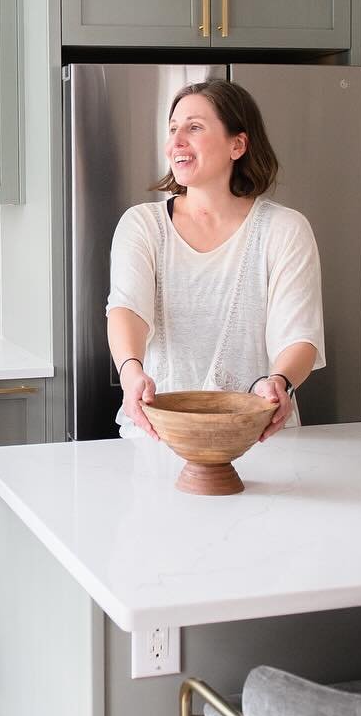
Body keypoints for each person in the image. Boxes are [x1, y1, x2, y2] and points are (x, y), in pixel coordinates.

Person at [106, 79, 324, 443]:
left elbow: (299, 334)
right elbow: (127, 309)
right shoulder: (142, 224)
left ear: (237, 145)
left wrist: (279, 382)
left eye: (194, 127)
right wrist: (131, 372)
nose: (176, 141)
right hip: (161, 435)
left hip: (258, 437)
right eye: (173, 128)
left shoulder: (285, 229)